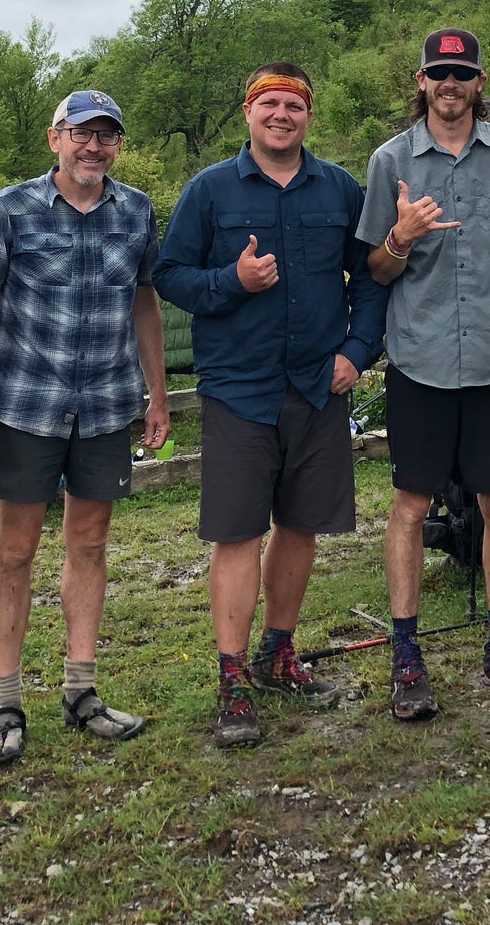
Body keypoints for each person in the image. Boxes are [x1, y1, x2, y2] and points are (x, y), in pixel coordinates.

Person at [152, 63, 386, 748]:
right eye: (269, 103)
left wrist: (358, 349)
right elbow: (170, 275)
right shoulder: (210, 191)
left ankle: (278, 653)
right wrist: (234, 279)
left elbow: (371, 275)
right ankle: (232, 676)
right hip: (239, 388)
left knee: (302, 525)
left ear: (308, 115)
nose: (282, 114)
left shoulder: (340, 188)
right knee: (236, 533)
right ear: (248, 112)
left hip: (319, 382)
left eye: (295, 104)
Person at [0, 90, 168, 763]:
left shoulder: (136, 210)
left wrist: (158, 393)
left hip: (108, 404)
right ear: (55, 138)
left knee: (89, 541)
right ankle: (5, 701)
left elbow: (144, 302)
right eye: (82, 133)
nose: (94, 146)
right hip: (26, 404)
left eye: (107, 136)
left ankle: (81, 690)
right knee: (15, 550)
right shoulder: (11, 208)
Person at [359, 28, 490, 721]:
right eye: (438, 73)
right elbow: (374, 271)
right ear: (420, 81)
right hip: (421, 362)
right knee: (410, 506)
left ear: (478, 79)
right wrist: (400, 237)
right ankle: (406, 654)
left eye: (461, 73)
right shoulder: (389, 163)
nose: (450, 84)